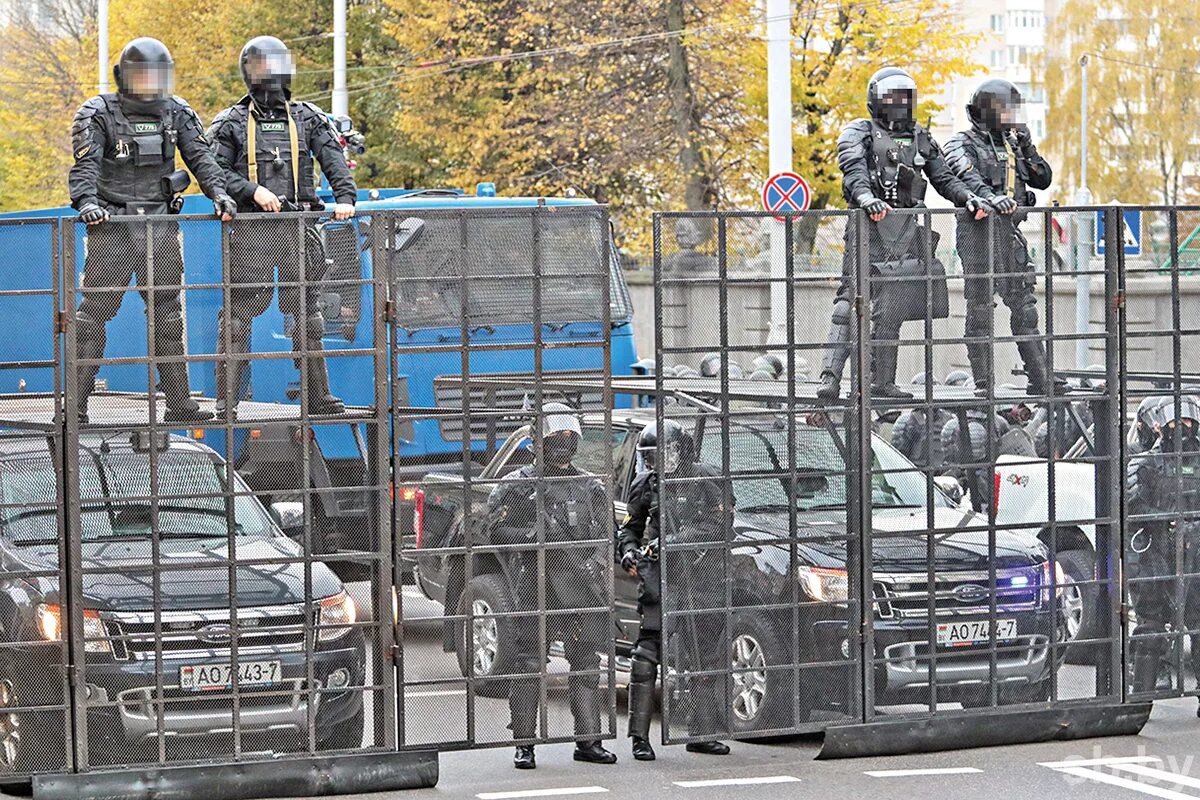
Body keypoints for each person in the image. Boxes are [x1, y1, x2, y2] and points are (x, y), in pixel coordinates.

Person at [69, 37, 237, 423]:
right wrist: (87, 203)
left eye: (154, 75)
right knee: (93, 315)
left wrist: (220, 195)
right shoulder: (98, 113)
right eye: (141, 75)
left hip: (159, 226)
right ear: (125, 76)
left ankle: (179, 405)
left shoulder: (176, 111)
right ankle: (75, 406)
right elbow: (85, 167)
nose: (148, 82)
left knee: (167, 314)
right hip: (111, 226)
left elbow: (202, 158)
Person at [816, 67, 994, 401]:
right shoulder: (860, 131)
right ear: (876, 99)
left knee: (892, 306)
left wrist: (968, 198)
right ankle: (830, 378)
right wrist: (868, 199)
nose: (900, 104)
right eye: (893, 98)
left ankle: (881, 382)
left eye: (905, 98)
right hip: (870, 226)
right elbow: (853, 170)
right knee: (850, 299)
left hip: (908, 229)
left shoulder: (920, 136)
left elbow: (944, 178)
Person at [208, 36, 358, 417]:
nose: (270, 74)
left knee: (309, 313)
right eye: (262, 66)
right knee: (237, 316)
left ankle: (318, 395)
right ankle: (227, 401)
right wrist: (253, 191)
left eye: (275, 65)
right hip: (252, 231)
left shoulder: (307, 117)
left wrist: (346, 199)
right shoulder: (232, 122)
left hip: (298, 227)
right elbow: (214, 172)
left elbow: (334, 159)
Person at [487, 403, 617, 769]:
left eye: (568, 432)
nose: (563, 439)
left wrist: (594, 561)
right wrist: (532, 537)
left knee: (586, 662)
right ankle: (525, 743)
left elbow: (608, 534)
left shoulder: (589, 484)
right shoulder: (520, 485)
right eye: (555, 433)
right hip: (537, 582)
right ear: (538, 439)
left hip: (580, 586)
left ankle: (588, 740)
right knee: (529, 662)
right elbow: (493, 530)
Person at [617, 421, 731, 761]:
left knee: (704, 655)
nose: (653, 464)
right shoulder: (644, 485)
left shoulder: (706, 479)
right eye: (648, 458)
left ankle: (703, 732)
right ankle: (639, 737)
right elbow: (629, 528)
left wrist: (668, 543)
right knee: (647, 653)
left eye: (659, 455)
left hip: (700, 577)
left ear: (679, 450)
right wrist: (628, 552)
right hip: (659, 580)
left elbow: (718, 526)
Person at [943, 79, 1064, 398]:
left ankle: (1040, 378)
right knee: (980, 308)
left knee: (1025, 308)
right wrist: (990, 198)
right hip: (978, 232)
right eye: (1006, 109)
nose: (1012, 115)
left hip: (1010, 232)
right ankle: (983, 383)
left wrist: (1027, 145)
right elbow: (963, 175)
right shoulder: (961, 143)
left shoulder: (1013, 145)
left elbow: (1042, 178)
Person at [1126, 396, 1200, 705]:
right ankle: (1140, 699)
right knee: (1150, 628)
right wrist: (1165, 520)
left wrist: (1193, 526)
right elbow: (1131, 505)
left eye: (1186, 422)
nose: (1181, 429)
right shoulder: (1145, 462)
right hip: (1156, 551)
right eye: (1175, 422)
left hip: (1195, 552)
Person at [940, 407, 1011, 512]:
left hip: (977, 474)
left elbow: (947, 456)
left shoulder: (997, 422)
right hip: (974, 475)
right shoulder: (998, 422)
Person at [891, 373, 951, 472]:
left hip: (945, 477)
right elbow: (898, 459)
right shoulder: (908, 421)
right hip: (916, 477)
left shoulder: (948, 419)